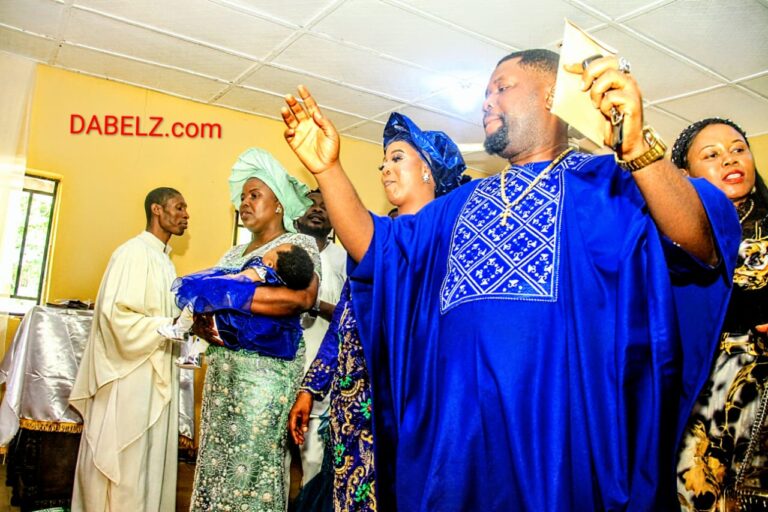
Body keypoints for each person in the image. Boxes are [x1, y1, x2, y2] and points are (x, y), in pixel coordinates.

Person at [280, 48, 741, 511]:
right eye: (485, 92)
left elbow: (699, 242)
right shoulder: (456, 205)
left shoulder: (610, 184)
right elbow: (377, 248)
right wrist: (327, 169)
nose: (487, 101)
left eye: (502, 87)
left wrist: (639, 149)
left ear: (553, 96)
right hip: (458, 447)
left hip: (560, 444)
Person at [288, 112, 467, 512]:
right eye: (383, 162)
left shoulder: (448, 242)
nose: (385, 168)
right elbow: (343, 322)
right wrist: (310, 388)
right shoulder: (370, 239)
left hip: (410, 405)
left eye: (397, 158)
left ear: (428, 170)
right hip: (353, 403)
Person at [189, 148, 321, 512]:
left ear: (278, 204)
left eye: (255, 195)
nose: (245, 203)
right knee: (217, 467)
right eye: (243, 197)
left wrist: (229, 297)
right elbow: (203, 303)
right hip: (222, 378)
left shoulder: (298, 244)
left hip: (265, 380)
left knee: (252, 468)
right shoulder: (232, 255)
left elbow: (303, 298)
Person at [69, 187, 189, 511]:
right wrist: (169, 324)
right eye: (179, 207)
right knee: (126, 459)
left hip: (154, 367)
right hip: (129, 373)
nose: (186, 215)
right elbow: (115, 316)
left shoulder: (164, 261)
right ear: (157, 210)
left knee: (147, 459)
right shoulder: (132, 253)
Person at [672, 118, 768, 511]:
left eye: (739, 149)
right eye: (711, 155)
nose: (730, 159)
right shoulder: (672, 245)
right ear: (684, 175)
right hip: (701, 395)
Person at [157, 242, 314, 367]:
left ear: (270, 263)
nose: (270, 249)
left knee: (195, 304)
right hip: (248, 328)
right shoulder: (281, 281)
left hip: (232, 313)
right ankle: (194, 356)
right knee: (209, 329)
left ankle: (179, 329)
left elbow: (239, 281)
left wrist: (220, 282)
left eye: (274, 249)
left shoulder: (261, 270)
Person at [294, 189, 347, 488]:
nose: (317, 210)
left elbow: (352, 313)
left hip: (323, 369)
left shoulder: (344, 257)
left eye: (325, 206)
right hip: (283, 364)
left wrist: (314, 304)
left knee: (314, 459)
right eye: (310, 204)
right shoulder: (284, 249)